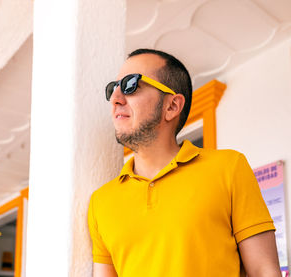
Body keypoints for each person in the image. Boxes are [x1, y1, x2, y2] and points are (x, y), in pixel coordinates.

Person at [88, 49, 281, 277]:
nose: (116, 98)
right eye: (113, 88)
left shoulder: (229, 168)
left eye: (131, 85)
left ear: (172, 106)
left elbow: (264, 270)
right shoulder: (100, 202)